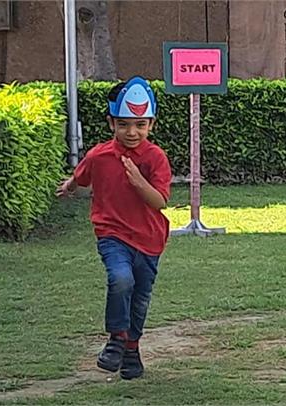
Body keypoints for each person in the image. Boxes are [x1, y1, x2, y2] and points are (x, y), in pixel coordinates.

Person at [56, 76, 172, 379]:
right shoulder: (100, 155)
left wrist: (138, 181)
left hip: (149, 240)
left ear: (151, 124)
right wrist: (69, 186)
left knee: (140, 298)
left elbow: (160, 201)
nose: (132, 132)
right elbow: (81, 175)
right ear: (111, 123)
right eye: (123, 124)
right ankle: (117, 339)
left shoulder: (156, 158)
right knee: (120, 279)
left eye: (140, 125)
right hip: (112, 235)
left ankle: (131, 349)